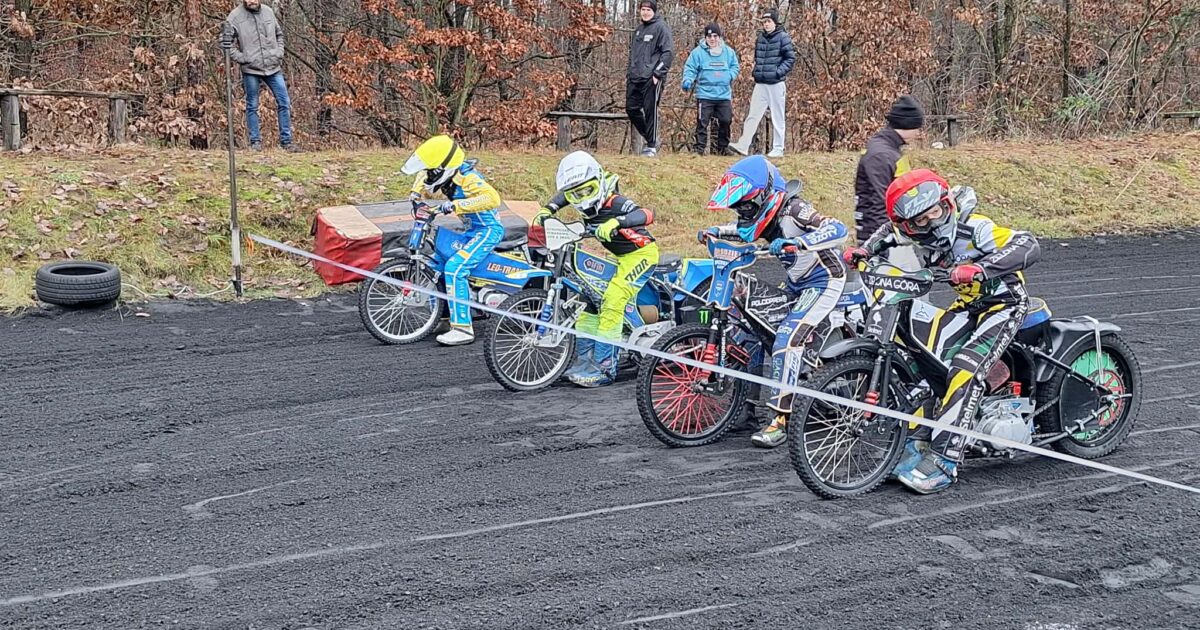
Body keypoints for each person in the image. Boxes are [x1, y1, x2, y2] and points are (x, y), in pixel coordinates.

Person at [845, 169, 1041, 494]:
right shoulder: (905, 230)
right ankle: (916, 444)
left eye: (935, 212)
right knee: (923, 360)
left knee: (965, 368)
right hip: (967, 308)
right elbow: (888, 232)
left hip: (1003, 304)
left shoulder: (976, 228)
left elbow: (1027, 244)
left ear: (946, 204)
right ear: (910, 225)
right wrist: (865, 251)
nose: (931, 223)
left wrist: (980, 269)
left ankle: (945, 462)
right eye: (920, 221)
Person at [699, 155, 850, 448]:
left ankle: (781, 418)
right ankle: (745, 406)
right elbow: (743, 229)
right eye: (738, 206)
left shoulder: (795, 209)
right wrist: (717, 231)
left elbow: (837, 228)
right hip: (796, 282)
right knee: (748, 324)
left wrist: (802, 242)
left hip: (824, 280)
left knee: (786, 339)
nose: (742, 212)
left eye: (746, 205)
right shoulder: (760, 215)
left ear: (765, 196)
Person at [533, 151, 660, 387]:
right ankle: (584, 362)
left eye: (587, 191)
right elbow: (564, 195)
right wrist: (548, 209)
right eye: (576, 194)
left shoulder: (616, 202)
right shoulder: (575, 194)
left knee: (612, 301)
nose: (581, 197)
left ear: (599, 181)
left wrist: (617, 222)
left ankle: (605, 368)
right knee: (589, 301)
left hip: (641, 254)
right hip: (619, 256)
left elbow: (647, 213)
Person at [401, 135, 504, 347]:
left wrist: (455, 206)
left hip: (487, 231)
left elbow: (493, 199)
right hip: (470, 231)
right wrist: (415, 193)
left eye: (433, 172)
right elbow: (424, 174)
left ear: (445, 168)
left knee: (456, 268)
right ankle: (445, 317)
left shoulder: (469, 179)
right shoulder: (445, 174)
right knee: (436, 263)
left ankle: (463, 329)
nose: (430, 176)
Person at [853, 95, 925, 269]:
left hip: (894, 233)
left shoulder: (890, 149)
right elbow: (880, 202)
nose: (918, 133)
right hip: (881, 236)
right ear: (907, 124)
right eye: (917, 127)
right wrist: (879, 244)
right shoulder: (882, 154)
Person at [219, 0, 296, 152]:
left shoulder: (268, 11)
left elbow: (279, 34)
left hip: (273, 67)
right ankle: (255, 143)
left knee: (284, 102)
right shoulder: (235, 16)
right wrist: (243, 58)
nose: (252, 0)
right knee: (252, 105)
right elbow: (225, 42)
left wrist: (279, 53)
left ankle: (286, 142)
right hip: (251, 70)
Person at [728, 10, 795, 159]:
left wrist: (778, 72)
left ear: (775, 22)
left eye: (768, 21)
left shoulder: (783, 37)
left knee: (778, 117)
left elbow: (790, 58)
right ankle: (744, 144)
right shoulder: (760, 38)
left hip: (776, 83)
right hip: (761, 82)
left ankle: (778, 147)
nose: (766, 25)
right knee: (753, 115)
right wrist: (756, 71)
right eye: (764, 22)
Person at [681, 23, 739, 155]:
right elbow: (690, 68)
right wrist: (688, 80)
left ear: (719, 37)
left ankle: (722, 148)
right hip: (705, 95)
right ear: (705, 38)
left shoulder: (728, 52)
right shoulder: (697, 53)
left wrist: (729, 76)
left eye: (715, 36)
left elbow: (735, 66)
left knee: (726, 120)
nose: (712, 39)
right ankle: (699, 149)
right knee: (702, 122)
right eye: (709, 36)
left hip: (723, 95)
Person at [626, 0, 674, 157]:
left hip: (651, 77)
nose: (645, 12)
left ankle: (651, 146)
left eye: (648, 9)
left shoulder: (661, 28)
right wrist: (630, 73)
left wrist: (657, 73)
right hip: (635, 76)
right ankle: (651, 137)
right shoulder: (638, 30)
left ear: (654, 11)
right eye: (643, 9)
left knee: (650, 110)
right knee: (631, 109)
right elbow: (633, 54)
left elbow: (668, 53)